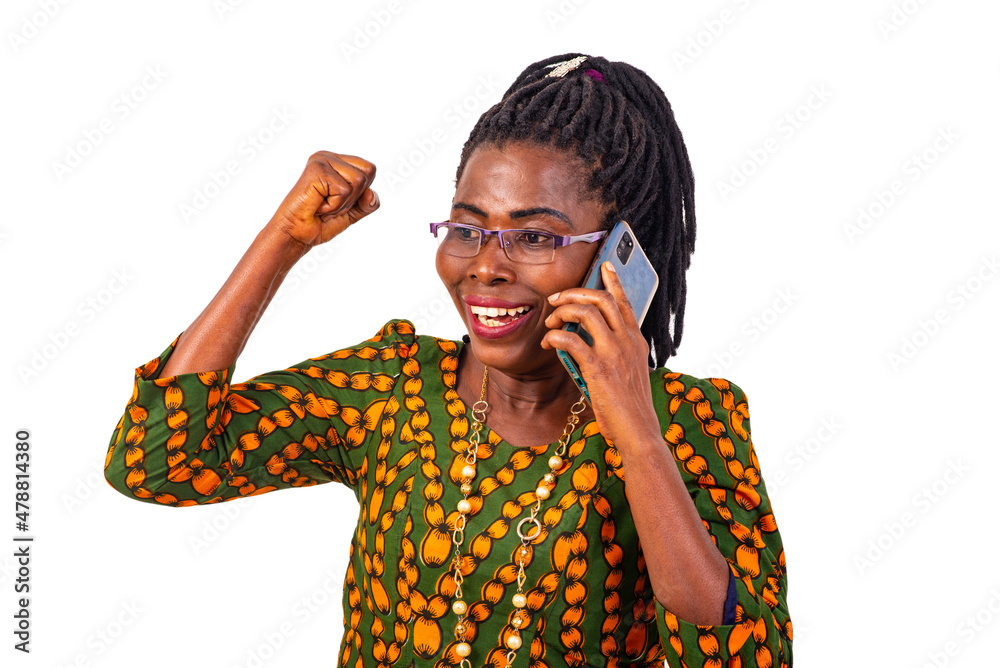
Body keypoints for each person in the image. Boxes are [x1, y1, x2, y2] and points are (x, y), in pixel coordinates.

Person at [105, 53, 792, 667]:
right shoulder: (392, 387)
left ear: (619, 253)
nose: (485, 266)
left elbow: (743, 656)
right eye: (467, 228)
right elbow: (156, 462)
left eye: (534, 237)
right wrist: (283, 240)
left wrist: (638, 433)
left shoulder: (688, 421)